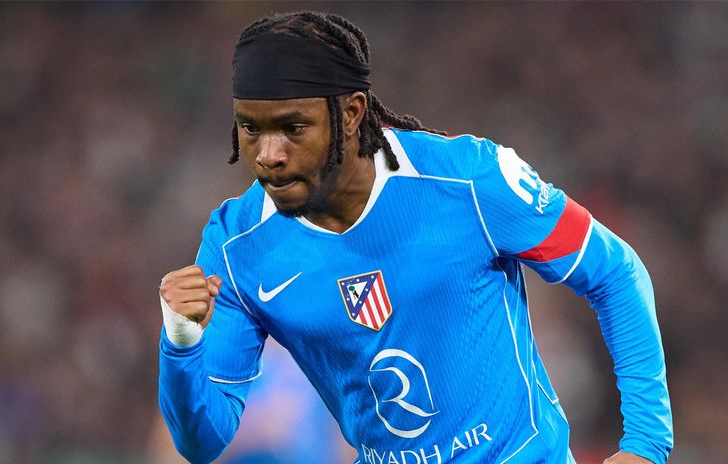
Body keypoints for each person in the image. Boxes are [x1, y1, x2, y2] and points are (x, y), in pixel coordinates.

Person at [157, 11, 673, 464]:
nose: (268, 153)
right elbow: (204, 441)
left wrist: (646, 444)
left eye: (293, 128)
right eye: (250, 129)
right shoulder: (236, 245)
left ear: (352, 113)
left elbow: (614, 272)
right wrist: (181, 341)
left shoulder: (467, 180)